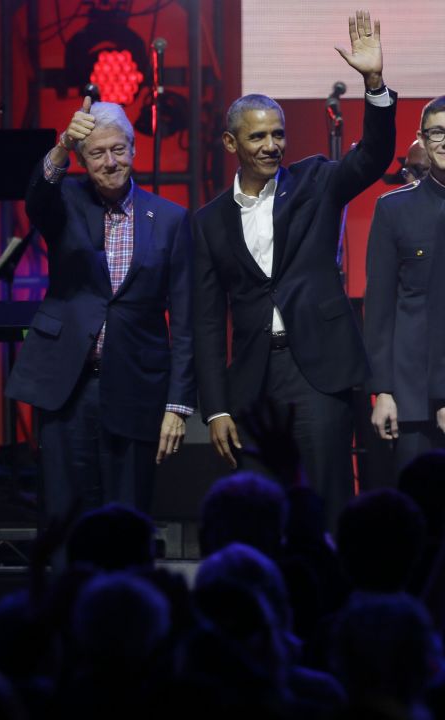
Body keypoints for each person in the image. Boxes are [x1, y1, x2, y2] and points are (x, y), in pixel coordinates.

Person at [191, 11, 396, 526]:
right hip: (255, 379)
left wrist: (373, 84)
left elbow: (373, 156)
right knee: (260, 514)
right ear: (231, 144)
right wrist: (215, 408)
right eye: (258, 138)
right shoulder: (209, 221)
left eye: (277, 135)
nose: (271, 146)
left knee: (326, 504)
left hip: (318, 372)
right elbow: (209, 321)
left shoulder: (316, 181)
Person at [4, 98, 194, 518]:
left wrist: (178, 406)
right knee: (64, 514)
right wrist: (62, 145)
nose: (110, 162)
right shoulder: (66, 201)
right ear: (81, 159)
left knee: (128, 514)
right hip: (67, 386)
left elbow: (184, 321)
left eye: (119, 150)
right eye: (96, 153)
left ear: (133, 149)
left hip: (136, 384)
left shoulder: (169, 218)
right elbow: (36, 199)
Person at [364, 96, 445, 471]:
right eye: (437, 132)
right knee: (418, 516)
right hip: (412, 399)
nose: (444, 141)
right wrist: (384, 391)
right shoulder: (393, 209)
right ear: (422, 140)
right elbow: (379, 310)